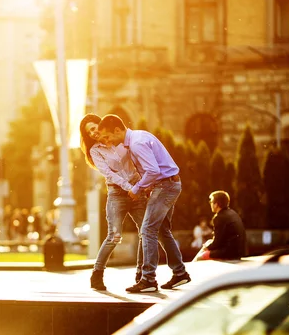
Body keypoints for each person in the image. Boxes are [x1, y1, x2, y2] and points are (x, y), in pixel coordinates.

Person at [98, 114, 191, 293]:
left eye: (108, 136)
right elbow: (155, 169)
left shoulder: (136, 143)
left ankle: (148, 279)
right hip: (167, 184)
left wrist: (138, 188)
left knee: (147, 229)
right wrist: (148, 186)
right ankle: (180, 273)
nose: (107, 141)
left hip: (165, 187)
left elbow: (153, 170)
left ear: (117, 130)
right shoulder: (138, 136)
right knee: (163, 230)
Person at [79, 113, 147, 291]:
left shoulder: (121, 140)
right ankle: (97, 274)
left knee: (146, 233)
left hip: (137, 189)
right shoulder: (95, 151)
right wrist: (128, 188)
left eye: (94, 128)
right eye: (89, 132)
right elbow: (109, 174)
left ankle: (142, 275)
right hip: (117, 193)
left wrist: (140, 185)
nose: (93, 133)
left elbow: (137, 161)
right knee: (114, 236)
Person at [193, 190, 247, 261]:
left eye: (211, 202)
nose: (210, 204)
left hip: (229, 253)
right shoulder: (232, 213)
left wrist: (207, 247)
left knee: (200, 257)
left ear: (216, 204)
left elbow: (217, 242)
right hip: (239, 251)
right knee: (208, 242)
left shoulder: (219, 217)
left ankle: (191, 265)